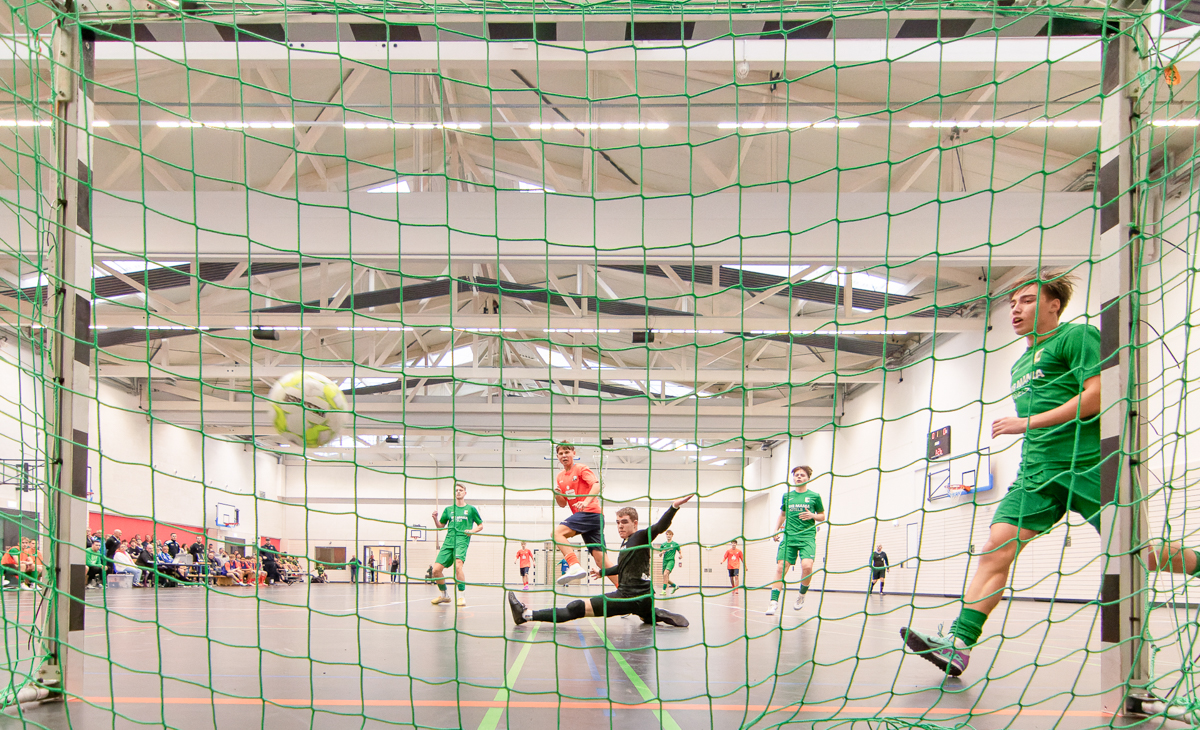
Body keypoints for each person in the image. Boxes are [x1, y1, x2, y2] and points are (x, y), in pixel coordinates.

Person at [900, 271, 1118, 677]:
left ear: (1054, 305)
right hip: (1036, 472)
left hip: (1087, 464)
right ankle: (959, 645)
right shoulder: (1020, 361)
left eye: (1029, 300)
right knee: (995, 548)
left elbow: (1097, 396)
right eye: (1014, 302)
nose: (1016, 308)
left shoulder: (1076, 337)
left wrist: (1027, 422)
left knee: (1137, 551)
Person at [508, 495, 694, 628]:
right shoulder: (628, 544)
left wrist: (674, 507)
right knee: (645, 613)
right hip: (644, 598)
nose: (620, 525)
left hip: (629, 597)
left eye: (625, 522)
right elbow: (623, 567)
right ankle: (653, 614)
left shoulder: (640, 536)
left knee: (576, 607)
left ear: (635, 524)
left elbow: (660, 527)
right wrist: (602, 572)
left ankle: (526, 615)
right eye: (618, 522)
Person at [552, 442, 617, 587]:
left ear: (573, 453)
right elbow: (562, 503)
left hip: (590, 513)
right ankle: (628, 590)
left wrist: (586, 502)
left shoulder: (580, 469)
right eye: (561, 453)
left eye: (567, 452)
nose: (564, 455)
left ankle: (574, 565)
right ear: (557, 456)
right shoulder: (560, 477)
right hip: (588, 520)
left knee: (557, 534)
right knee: (601, 561)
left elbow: (597, 485)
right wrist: (557, 494)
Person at [767, 465, 826, 616]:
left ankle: (801, 596)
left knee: (807, 566)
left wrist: (812, 516)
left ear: (808, 478)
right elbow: (782, 514)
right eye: (796, 475)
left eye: (802, 475)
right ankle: (773, 603)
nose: (799, 477)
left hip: (807, 537)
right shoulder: (787, 496)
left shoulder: (814, 496)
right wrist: (776, 529)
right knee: (781, 568)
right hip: (789, 537)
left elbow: (822, 516)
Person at [430, 483, 484, 607]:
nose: (458, 492)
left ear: (465, 493)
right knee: (436, 571)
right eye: (456, 490)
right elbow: (440, 527)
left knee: (458, 566)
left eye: (461, 490)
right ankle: (444, 595)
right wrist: (435, 519)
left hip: (462, 541)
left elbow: (480, 525)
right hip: (448, 542)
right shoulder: (448, 510)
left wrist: (471, 531)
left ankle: (461, 596)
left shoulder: (471, 509)